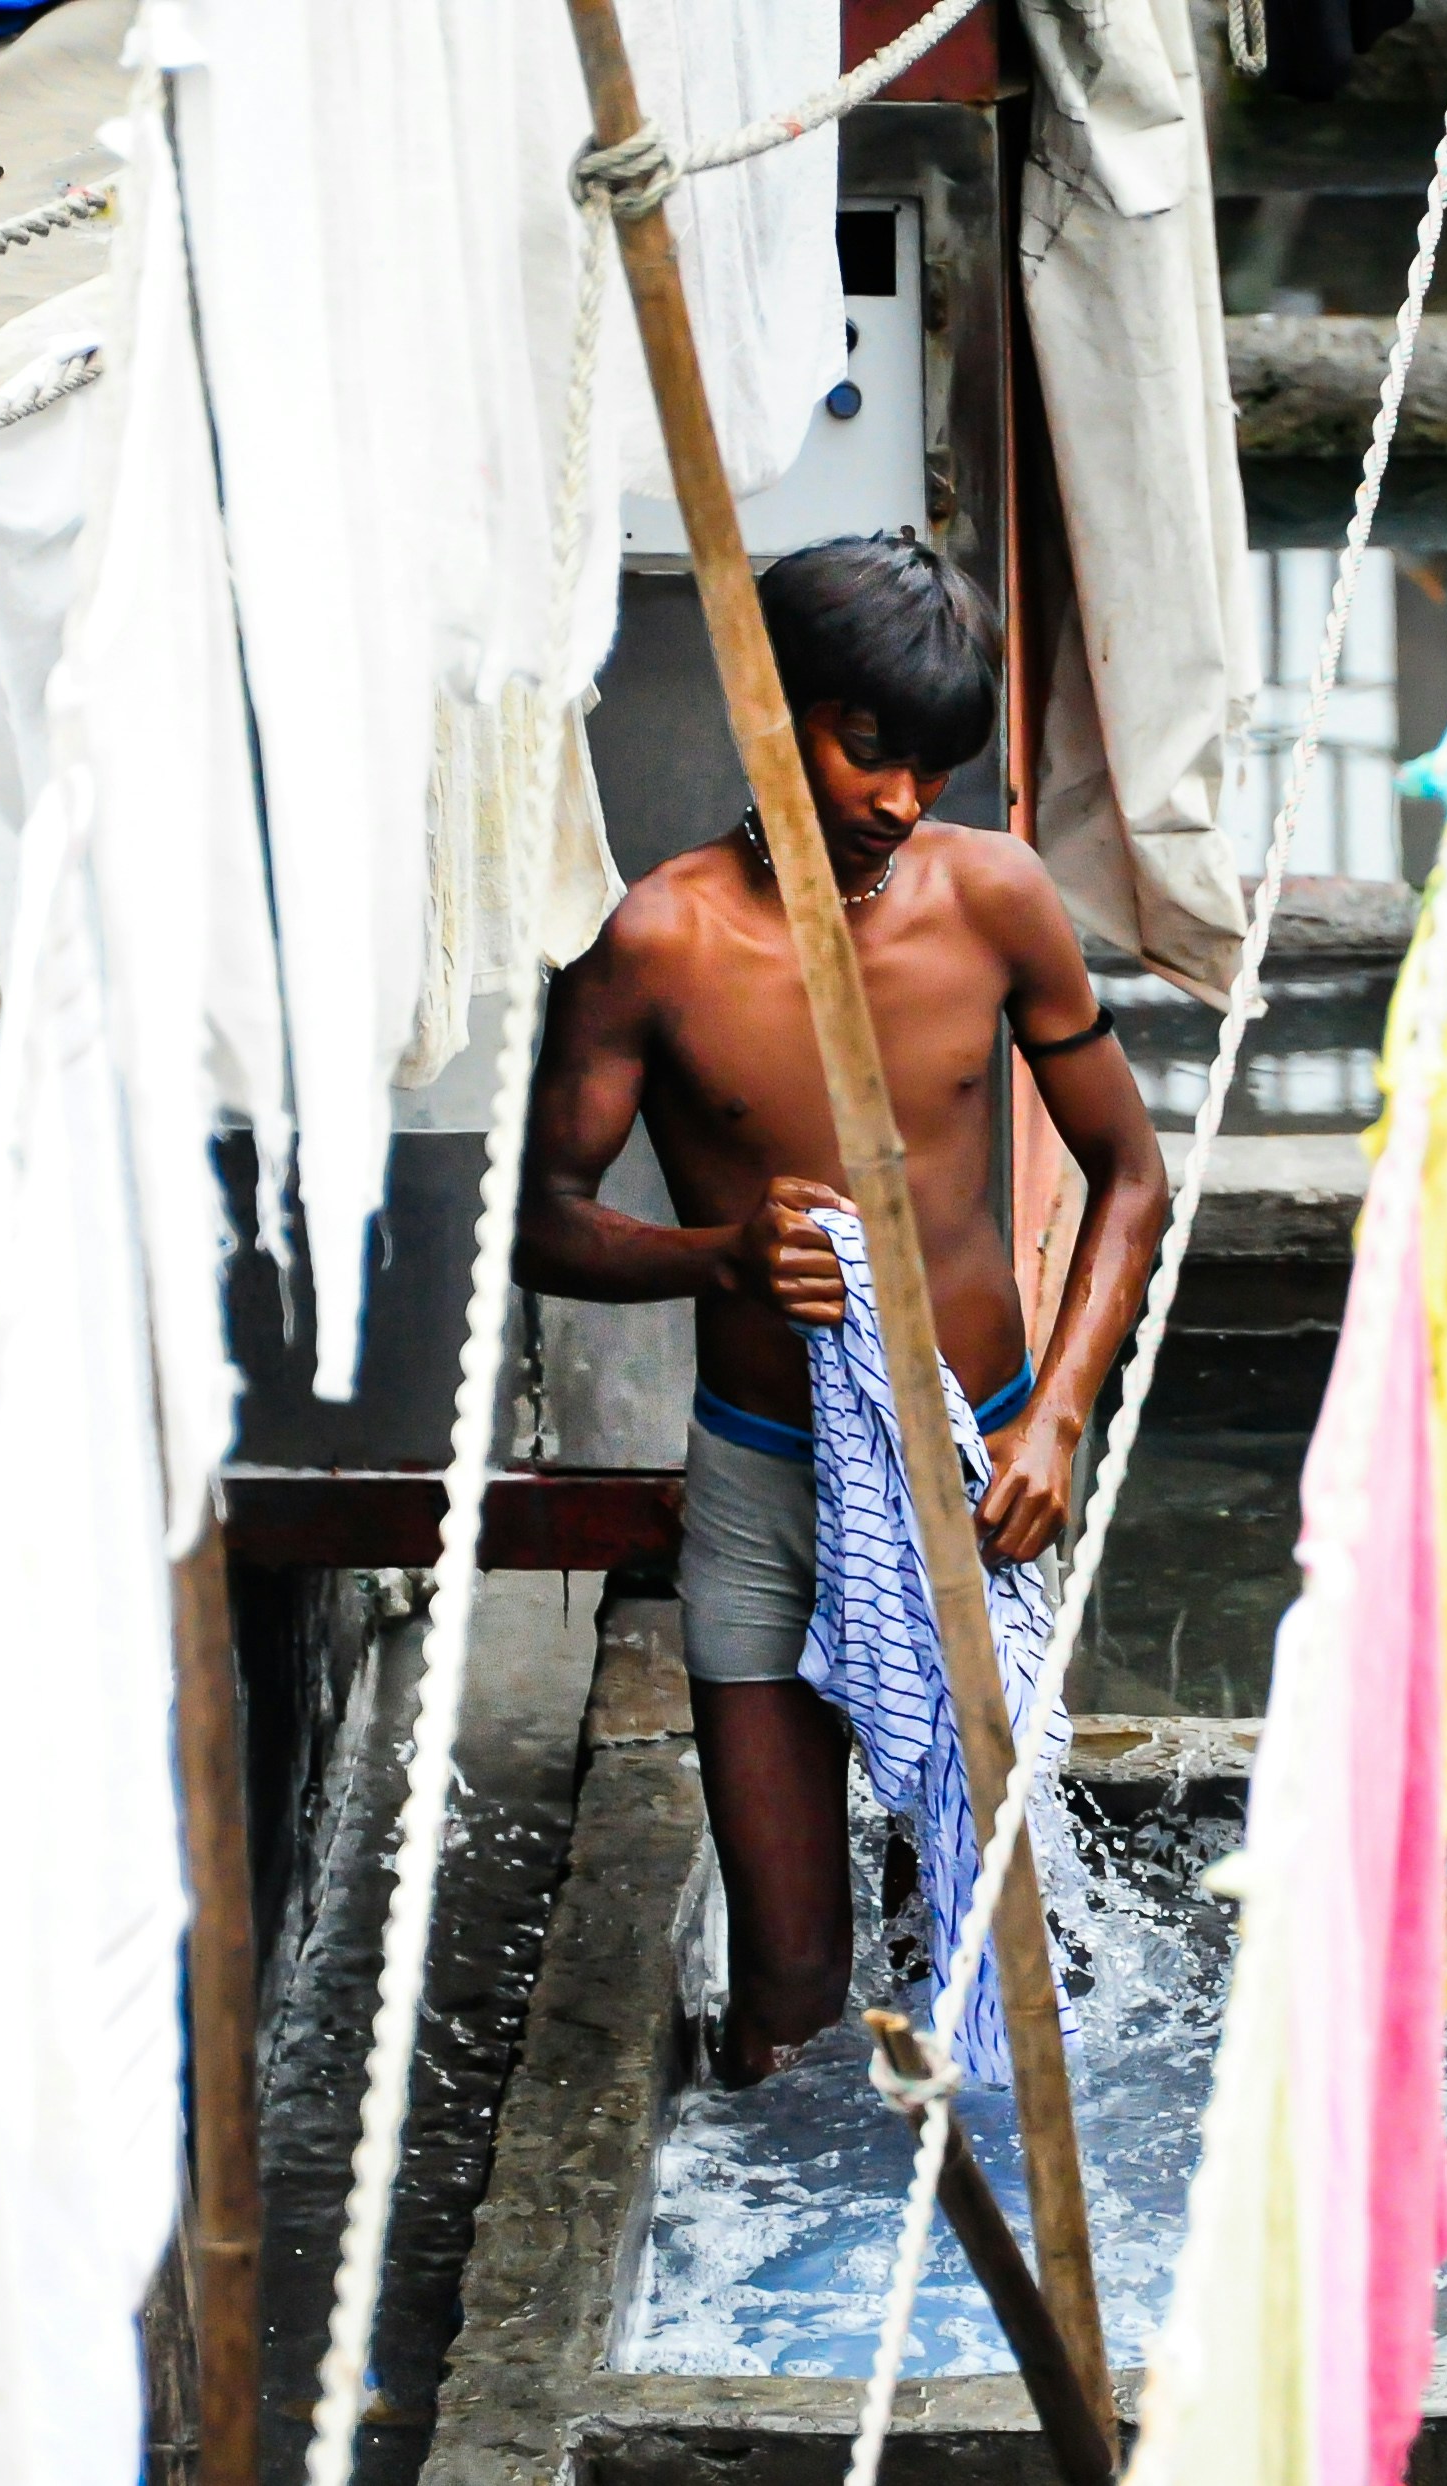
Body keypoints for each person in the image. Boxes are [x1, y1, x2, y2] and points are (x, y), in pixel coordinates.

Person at [514, 533, 1170, 2081]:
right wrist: (719, 1256)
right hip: (760, 1479)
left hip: (982, 1469)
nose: (894, 798)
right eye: (863, 749)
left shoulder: (995, 899)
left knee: (1006, 1943)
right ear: (769, 709)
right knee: (790, 1993)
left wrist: (1060, 1420)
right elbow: (542, 1228)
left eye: (927, 766)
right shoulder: (656, 942)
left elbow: (1129, 1178)